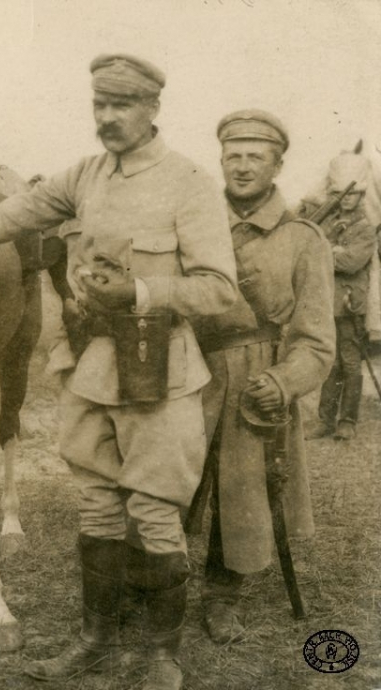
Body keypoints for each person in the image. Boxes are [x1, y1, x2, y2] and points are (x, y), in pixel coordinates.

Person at [0, 54, 238, 690]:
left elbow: (220, 290)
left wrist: (138, 293)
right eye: (99, 105)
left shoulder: (189, 182)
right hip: (89, 368)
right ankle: (96, 643)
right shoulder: (81, 176)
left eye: (122, 105)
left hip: (161, 371)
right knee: (97, 509)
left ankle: (164, 655)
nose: (107, 118)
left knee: (158, 511)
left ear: (152, 109)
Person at [192, 110, 335, 645]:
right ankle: (152, 583)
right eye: (234, 155)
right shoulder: (196, 226)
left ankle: (222, 595)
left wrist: (283, 381)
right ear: (221, 160)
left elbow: (317, 340)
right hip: (191, 371)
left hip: (258, 379)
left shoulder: (303, 239)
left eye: (256, 156)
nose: (243, 166)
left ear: (277, 164)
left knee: (242, 492)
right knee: (170, 484)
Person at [301, 153, 376, 440]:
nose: (346, 199)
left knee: (350, 362)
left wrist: (331, 253)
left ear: (361, 196)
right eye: (340, 194)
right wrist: (332, 252)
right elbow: (309, 246)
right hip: (326, 302)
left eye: (353, 193)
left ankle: (348, 421)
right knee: (329, 362)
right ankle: (325, 420)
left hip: (348, 304)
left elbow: (352, 262)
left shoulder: (364, 228)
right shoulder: (327, 221)